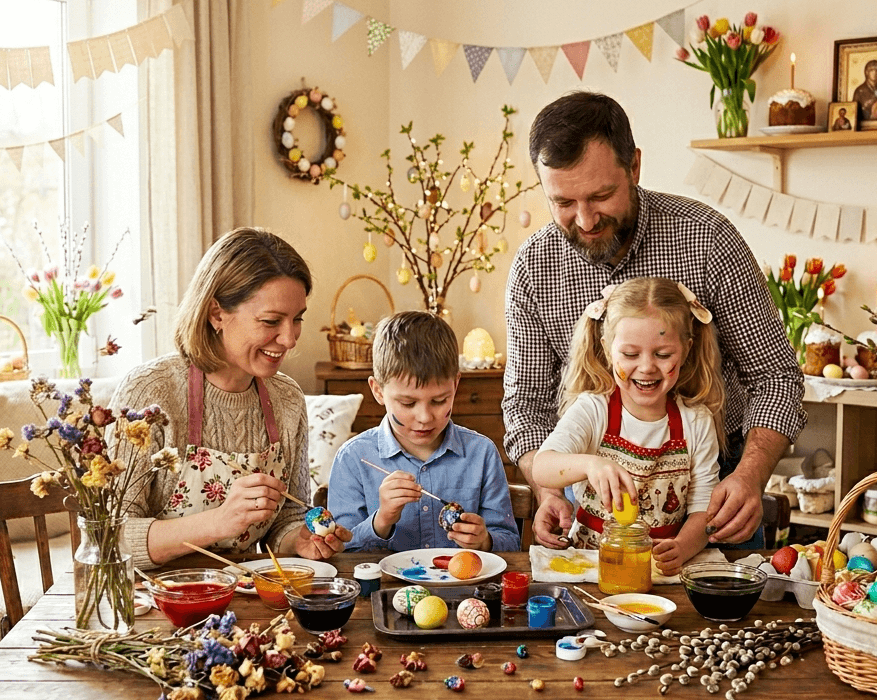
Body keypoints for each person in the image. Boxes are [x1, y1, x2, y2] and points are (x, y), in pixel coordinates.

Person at [502, 91, 806, 550]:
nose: (584, 220)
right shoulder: (533, 268)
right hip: (593, 502)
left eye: (601, 195)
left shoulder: (707, 239)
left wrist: (749, 476)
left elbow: (775, 377)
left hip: (714, 492)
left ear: (635, 167)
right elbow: (525, 406)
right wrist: (549, 490)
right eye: (563, 202)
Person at [111, 227, 352, 570]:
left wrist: (299, 540)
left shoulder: (287, 399)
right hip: (155, 602)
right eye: (271, 321)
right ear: (216, 314)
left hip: (242, 600)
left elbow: (287, 517)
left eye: (297, 319)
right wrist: (219, 521)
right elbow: (108, 537)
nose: (289, 339)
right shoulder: (149, 394)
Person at [532, 278, 722, 576]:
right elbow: (542, 467)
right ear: (608, 349)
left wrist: (683, 546)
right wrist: (590, 465)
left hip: (657, 573)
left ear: (686, 349)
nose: (646, 367)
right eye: (630, 355)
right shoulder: (594, 410)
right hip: (591, 570)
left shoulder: (696, 422)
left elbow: (703, 510)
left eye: (663, 354)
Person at [327, 310, 519, 552]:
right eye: (407, 403)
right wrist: (382, 520)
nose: (425, 417)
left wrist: (485, 541)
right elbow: (342, 553)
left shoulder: (481, 453)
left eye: (439, 401)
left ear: (456, 384)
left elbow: (511, 543)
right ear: (377, 391)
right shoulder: (354, 458)